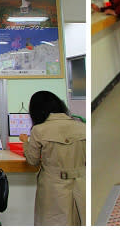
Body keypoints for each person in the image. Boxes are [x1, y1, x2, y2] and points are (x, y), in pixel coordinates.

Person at [19, 91, 85, 225]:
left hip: (53, 187)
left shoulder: (39, 130)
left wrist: (25, 143)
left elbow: (33, 160)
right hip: (81, 183)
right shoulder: (81, 126)